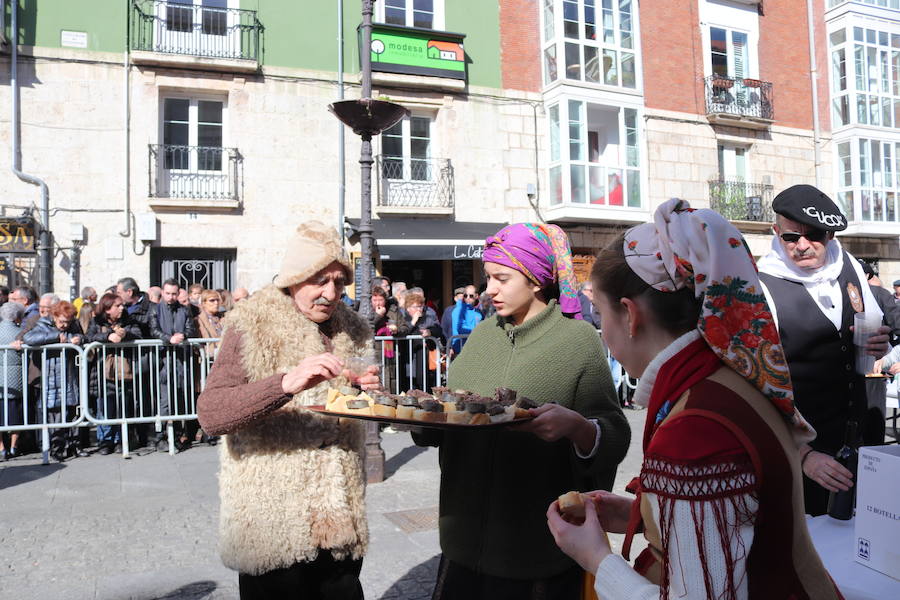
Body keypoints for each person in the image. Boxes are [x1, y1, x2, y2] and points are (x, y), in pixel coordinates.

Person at [547, 198, 842, 600]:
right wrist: (643, 514)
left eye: (600, 313)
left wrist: (598, 560)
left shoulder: (694, 429)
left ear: (630, 315)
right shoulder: (728, 377)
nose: (604, 334)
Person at [413, 223, 630, 599]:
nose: (489, 289)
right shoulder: (481, 336)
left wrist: (578, 429)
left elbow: (613, 432)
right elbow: (447, 418)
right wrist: (417, 413)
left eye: (502, 278)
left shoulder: (577, 341)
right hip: (461, 545)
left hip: (537, 553)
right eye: (487, 278)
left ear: (535, 280)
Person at [197, 221, 379, 600]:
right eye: (319, 280)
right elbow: (212, 414)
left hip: (340, 514)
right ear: (294, 277)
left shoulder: (355, 328)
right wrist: (284, 384)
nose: (331, 293)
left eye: (339, 282)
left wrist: (371, 393)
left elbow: (360, 405)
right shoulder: (252, 323)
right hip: (275, 519)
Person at [757, 184, 890, 516]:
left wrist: (879, 344)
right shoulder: (762, 285)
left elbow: (872, 327)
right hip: (803, 456)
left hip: (858, 442)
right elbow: (756, 389)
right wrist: (802, 454)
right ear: (776, 233)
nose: (802, 245)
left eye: (814, 234)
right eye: (790, 237)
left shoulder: (847, 265)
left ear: (830, 233)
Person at [23, 301, 85, 462]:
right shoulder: (43, 324)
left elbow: (82, 336)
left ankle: (74, 445)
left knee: (73, 411)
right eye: (61, 321)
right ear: (54, 316)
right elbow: (29, 338)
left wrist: (77, 339)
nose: (64, 325)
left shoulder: (73, 326)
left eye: (68, 322)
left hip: (70, 374)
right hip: (51, 375)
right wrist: (56, 337)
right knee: (55, 414)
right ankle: (56, 448)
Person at [86, 292, 141, 454]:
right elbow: (88, 338)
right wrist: (107, 336)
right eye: (118, 306)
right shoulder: (97, 321)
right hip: (101, 371)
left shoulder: (128, 320)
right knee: (104, 407)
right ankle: (105, 440)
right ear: (108, 309)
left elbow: (138, 334)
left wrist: (126, 334)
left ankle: (119, 439)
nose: (122, 308)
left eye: (122, 305)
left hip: (124, 370)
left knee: (122, 406)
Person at [150, 279, 198, 452]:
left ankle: (177, 436)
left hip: (180, 362)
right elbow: (153, 329)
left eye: (174, 294)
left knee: (179, 400)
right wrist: (168, 339)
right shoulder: (155, 309)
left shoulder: (184, 310)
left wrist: (183, 335)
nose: (170, 297)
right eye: (167, 293)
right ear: (162, 292)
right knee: (165, 403)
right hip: (163, 361)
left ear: (178, 294)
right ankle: (161, 437)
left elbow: (191, 329)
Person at [399, 290, 441, 391]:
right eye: (416, 307)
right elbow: (402, 331)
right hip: (406, 355)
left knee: (424, 379)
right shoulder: (402, 315)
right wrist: (413, 321)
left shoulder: (429, 313)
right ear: (408, 308)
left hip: (424, 355)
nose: (419, 309)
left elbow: (438, 329)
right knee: (407, 381)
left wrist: (429, 332)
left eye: (420, 306)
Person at [0, 301, 25, 460]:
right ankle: (14, 446)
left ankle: (1, 448)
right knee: (16, 413)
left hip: (1, 381)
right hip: (16, 379)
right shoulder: (20, 332)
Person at [448, 284, 482, 353]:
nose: (468, 298)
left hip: (476, 348)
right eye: (465, 296)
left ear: (476, 296)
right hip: (461, 349)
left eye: (471, 296)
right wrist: (479, 332)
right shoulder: (458, 310)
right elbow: (460, 328)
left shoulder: (479, 312)